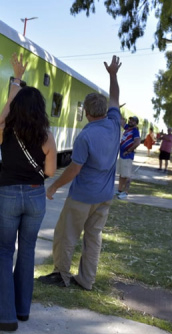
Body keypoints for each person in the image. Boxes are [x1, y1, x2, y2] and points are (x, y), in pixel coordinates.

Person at [0, 53, 57, 332]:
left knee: (5, 252)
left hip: (9, 195)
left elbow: (1, 117)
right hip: (36, 196)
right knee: (27, 250)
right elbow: (50, 173)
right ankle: (22, 309)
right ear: (40, 109)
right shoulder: (47, 137)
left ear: (16, 108)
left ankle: (4, 316)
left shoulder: (6, 130)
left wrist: (16, 81)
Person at [37, 55, 122, 291]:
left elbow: (74, 169)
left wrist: (54, 186)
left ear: (86, 112)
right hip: (105, 196)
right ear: (104, 110)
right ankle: (86, 280)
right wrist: (113, 75)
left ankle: (61, 275)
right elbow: (115, 96)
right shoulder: (115, 123)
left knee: (65, 235)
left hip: (83, 196)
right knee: (93, 239)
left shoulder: (86, 136)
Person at [116, 116, 140, 199]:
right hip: (122, 154)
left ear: (136, 123)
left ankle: (125, 192)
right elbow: (121, 121)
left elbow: (137, 142)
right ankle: (119, 190)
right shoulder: (127, 128)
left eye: (133, 121)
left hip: (127, 156)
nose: (131, 122)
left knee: (127, 175)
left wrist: (129, 150)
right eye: (130, 120)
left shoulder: (135, 131)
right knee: (122, 174)